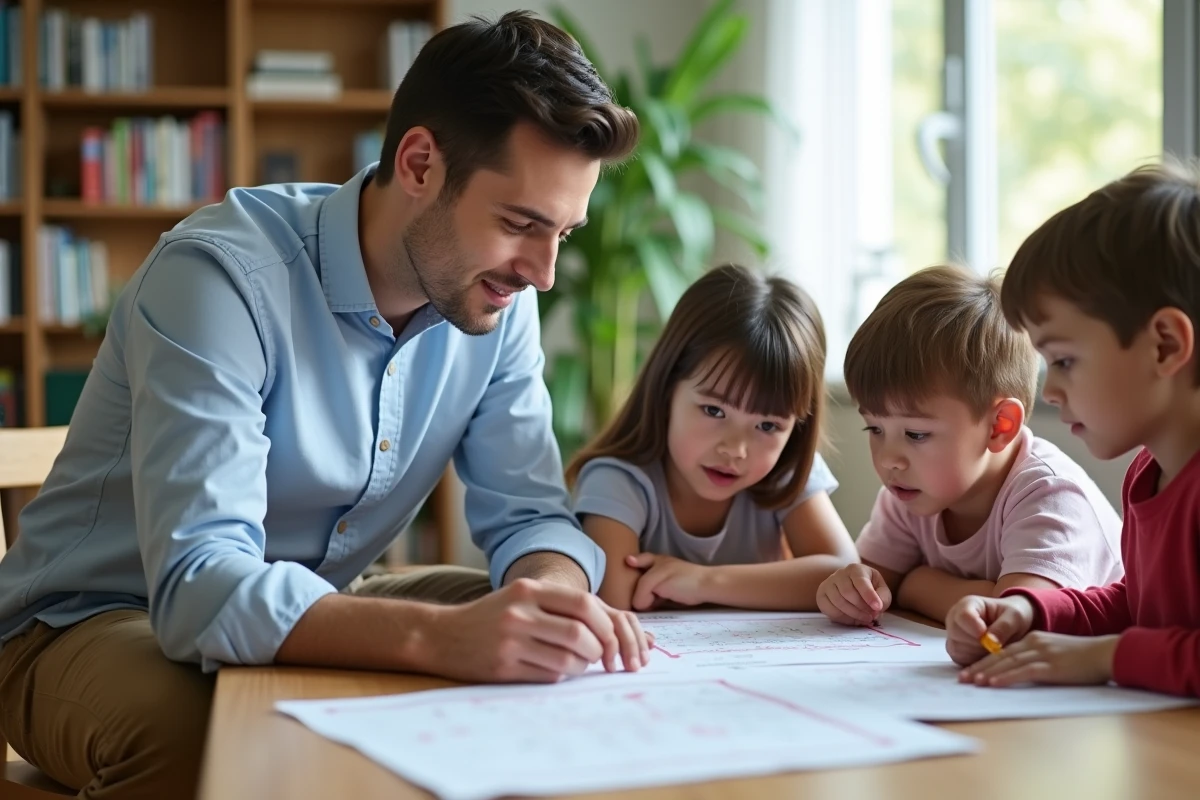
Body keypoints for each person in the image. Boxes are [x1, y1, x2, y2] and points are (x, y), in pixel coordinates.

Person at [0, 11, 649, 798]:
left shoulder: (498, 298)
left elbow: (531, 517)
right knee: (203, 734)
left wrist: (550, 595)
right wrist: (444, 638)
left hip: (315, 591)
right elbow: (202, 585)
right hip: (84, 624)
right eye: (520, 224)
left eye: (564, 234)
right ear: (419, 164)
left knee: (563, 643)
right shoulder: (220, 278)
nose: (543, 272)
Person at [948, 161, 1200, 697]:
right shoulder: (1151, 471)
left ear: (1166, 346)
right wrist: (1030, 610)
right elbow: (1142, 606)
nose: (1051, 391)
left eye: (1062, 360)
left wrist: (1103, 656)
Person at [816, 265, 1123, 626]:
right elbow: (875, 586)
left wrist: (916, 584)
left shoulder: (1050, 496)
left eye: (916, 434)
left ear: (999, 426)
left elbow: (1012, 620)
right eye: (874, 428)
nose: (889, 459)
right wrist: (847, 589)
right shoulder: (908, 494)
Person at [566, 264, 858, 612]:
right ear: (667, 389)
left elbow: (843, 576)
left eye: (767, 426)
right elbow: (618, 596)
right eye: (714, 411)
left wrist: (703, 582)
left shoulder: (786, 471)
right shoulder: (618, 480)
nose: (735, 449)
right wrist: (775, 585)